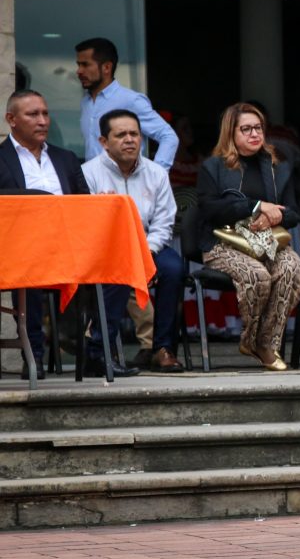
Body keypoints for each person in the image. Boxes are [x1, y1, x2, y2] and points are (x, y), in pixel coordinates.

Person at [197, 102, 300, 371]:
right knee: (257, 275)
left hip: (267, 241)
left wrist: (274, 215)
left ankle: (266, 343)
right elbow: (209, 209)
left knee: (292, 267)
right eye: (246, 129)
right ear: (230, 133)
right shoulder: (214, 167)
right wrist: (255, 206)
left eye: (258, 128)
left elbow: (294, 212)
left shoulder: (277, 166)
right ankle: (254, 340)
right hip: (224, 243)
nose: (254, 134)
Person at [82, 109, 184, 374]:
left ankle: (162, 348)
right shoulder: (88, 174)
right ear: (104, 142)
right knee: (116, 272)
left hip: (148, 246)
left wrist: (147, 251)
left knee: (173, 268)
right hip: (107, 251)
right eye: (121, 134)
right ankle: (103, 351)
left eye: (134, 134)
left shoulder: (156, 173)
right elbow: (87, 225)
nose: (129, 140)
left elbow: (164, 222)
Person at [0, 90, 91, 379]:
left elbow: (83, 205)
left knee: (109, 270)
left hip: (65, 247)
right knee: (33, 271)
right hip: (16, 251)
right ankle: (34, 354)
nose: (42, 121)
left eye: (45, 113)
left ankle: (96, 351)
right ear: (11, 120)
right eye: (32, 114)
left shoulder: (65, 159)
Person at [76, 37, 178, 170]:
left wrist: (157, 175)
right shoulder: (86, 102)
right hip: (92, 184)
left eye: (85, 65)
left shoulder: (131, 100)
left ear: (107, 67)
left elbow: (168, 136)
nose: (79, 71)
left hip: (125, 183)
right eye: (78, 65)